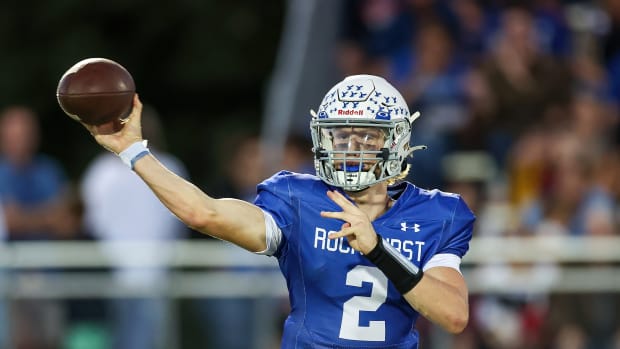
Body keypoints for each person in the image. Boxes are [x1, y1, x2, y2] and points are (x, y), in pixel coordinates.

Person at [81, 74, 475, 348]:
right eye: (341, 136)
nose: (351, 149)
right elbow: (205, 213)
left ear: (398, 142)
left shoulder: (436, 213)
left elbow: (453, 315)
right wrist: (134, 151)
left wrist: (378, 250)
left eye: (367, 136)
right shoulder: (297, 199)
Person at [80, 105, 188, 349]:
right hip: (124, 276)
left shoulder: (101, 172)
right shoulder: (104, 172)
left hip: (145, 275)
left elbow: (94, 225)